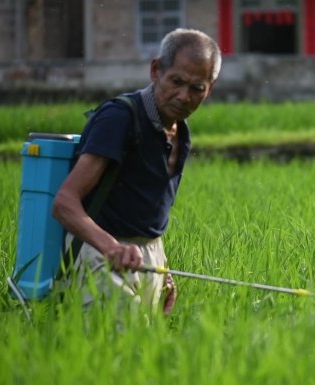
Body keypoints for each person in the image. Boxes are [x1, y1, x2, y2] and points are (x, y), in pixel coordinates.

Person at [52, 28, 221, 315]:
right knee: (122, 351)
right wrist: (111, 247)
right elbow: (65, 203)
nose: (184, 96)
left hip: (147, 259)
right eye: (176, 81)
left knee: (144, 354)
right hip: (99, 254)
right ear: (156, 70)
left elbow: (147, 213)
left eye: (197, 88)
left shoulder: (181, 131)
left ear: (210, 89)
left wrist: (162, 269)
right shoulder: (119, 118)